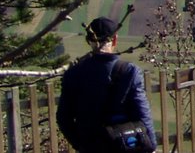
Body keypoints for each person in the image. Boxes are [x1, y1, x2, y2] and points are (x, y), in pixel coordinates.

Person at [57, 16, 157, 152]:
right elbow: (142, 113)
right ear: (114, 39)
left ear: (89, 41)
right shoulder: (128, 71)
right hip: (123, 144)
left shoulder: (73, 74)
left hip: (91, 146)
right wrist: (151, 146)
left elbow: (64, 118)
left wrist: (80, 145)